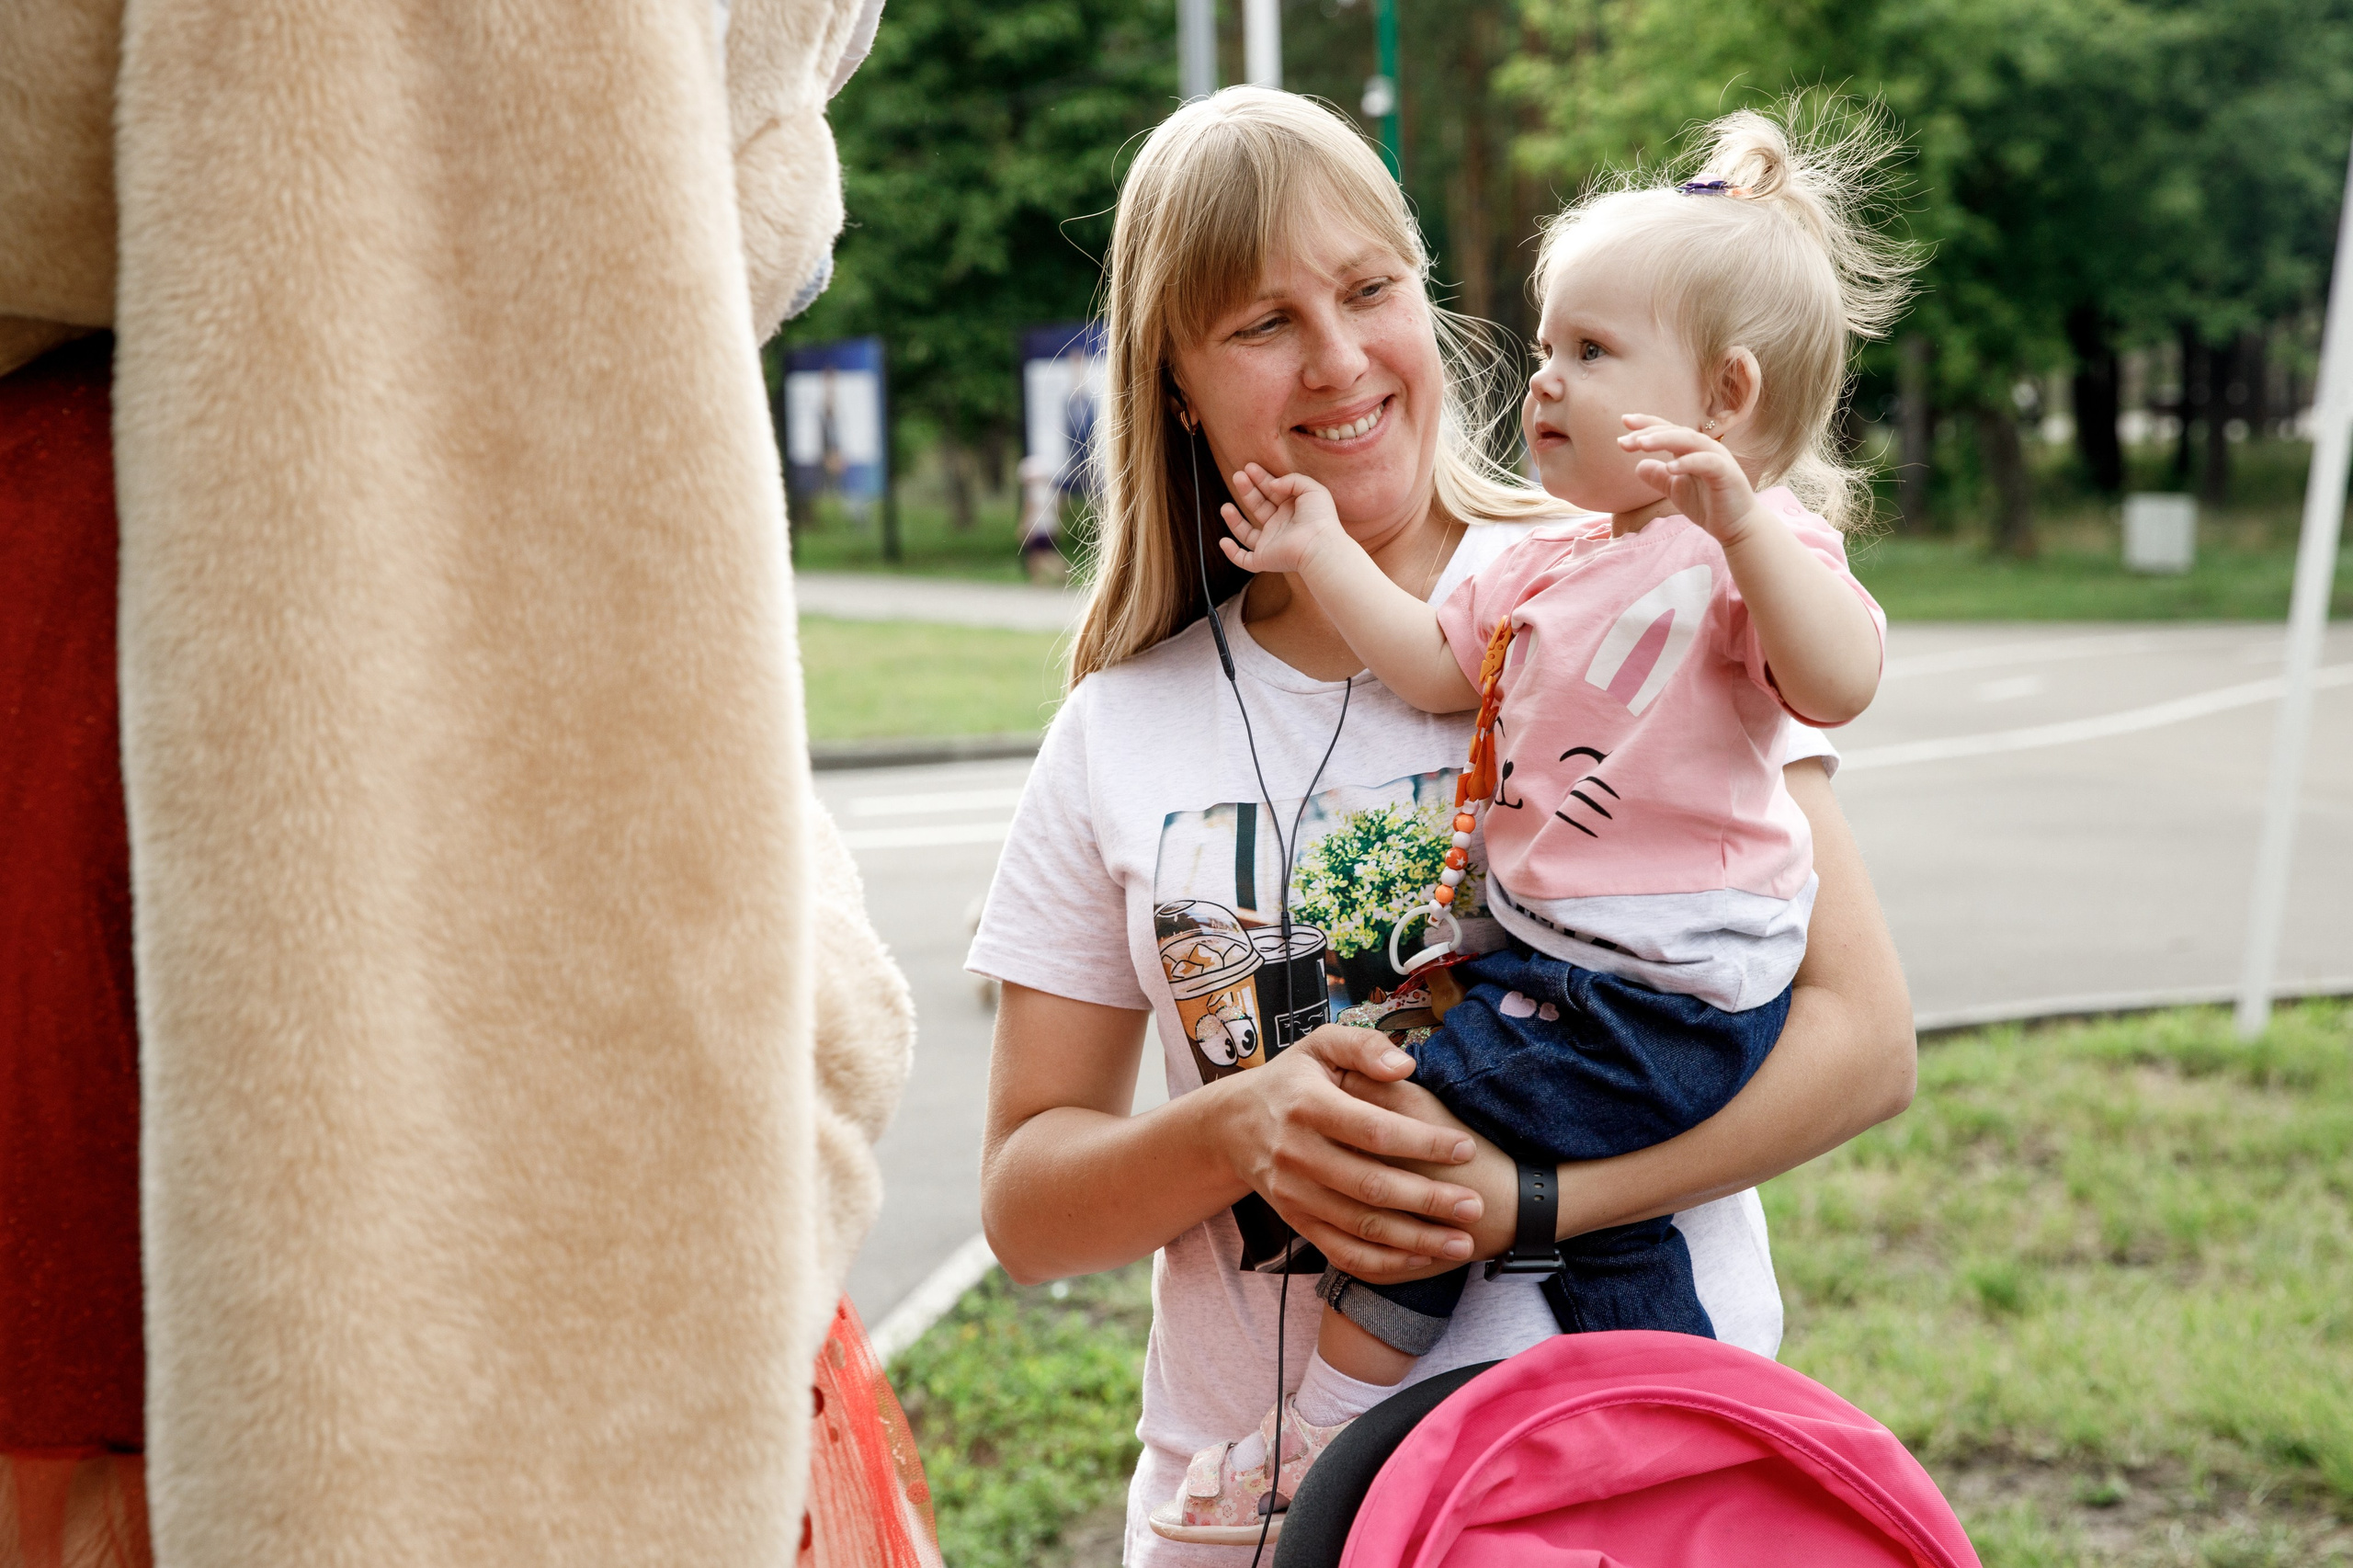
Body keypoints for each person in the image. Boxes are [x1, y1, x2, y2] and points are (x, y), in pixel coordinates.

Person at [967, 87, 1915, 1564]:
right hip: (1259, 1523)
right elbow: (1029, 1206)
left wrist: (1534, 1198)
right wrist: (1244, 1125)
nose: (1339, 359)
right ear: (1174, 379)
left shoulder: (1648, 584)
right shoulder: (1117, 731)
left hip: (1631, 1481)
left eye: (1369, 290)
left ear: (1428, 298)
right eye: (1263, 321)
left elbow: (1863, 1046)